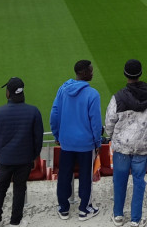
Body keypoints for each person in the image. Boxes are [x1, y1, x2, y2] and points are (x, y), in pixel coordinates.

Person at [105, 59, 147, 227]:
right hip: (142, 146)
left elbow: (109, 122)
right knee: (139, 182)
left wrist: (112, 136)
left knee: (120, 181)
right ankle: (135, 218)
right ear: (140, 74)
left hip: (122, 146)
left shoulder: (118, 97)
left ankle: (118, 215)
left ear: (125, 74)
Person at [50, 60, 103, 221]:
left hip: (66, 142)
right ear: (84, 73)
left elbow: (55, 114)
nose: (93, 73)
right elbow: (95, 122)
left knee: (64, 174)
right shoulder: (92, 94)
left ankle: (63, 208)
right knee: (86, 176)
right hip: (85, 144)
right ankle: (84, 209)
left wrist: (57, 135)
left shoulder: (63, 90)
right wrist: (97, 142)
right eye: (91, 71)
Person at [0, 77, 45, 227]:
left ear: (8, 93)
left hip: (5, 159)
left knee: (0, 188)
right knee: (20, 189)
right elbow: (38, 138)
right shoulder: (33, 111)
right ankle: (15, 222)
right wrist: (34, 156)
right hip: (24, 159)